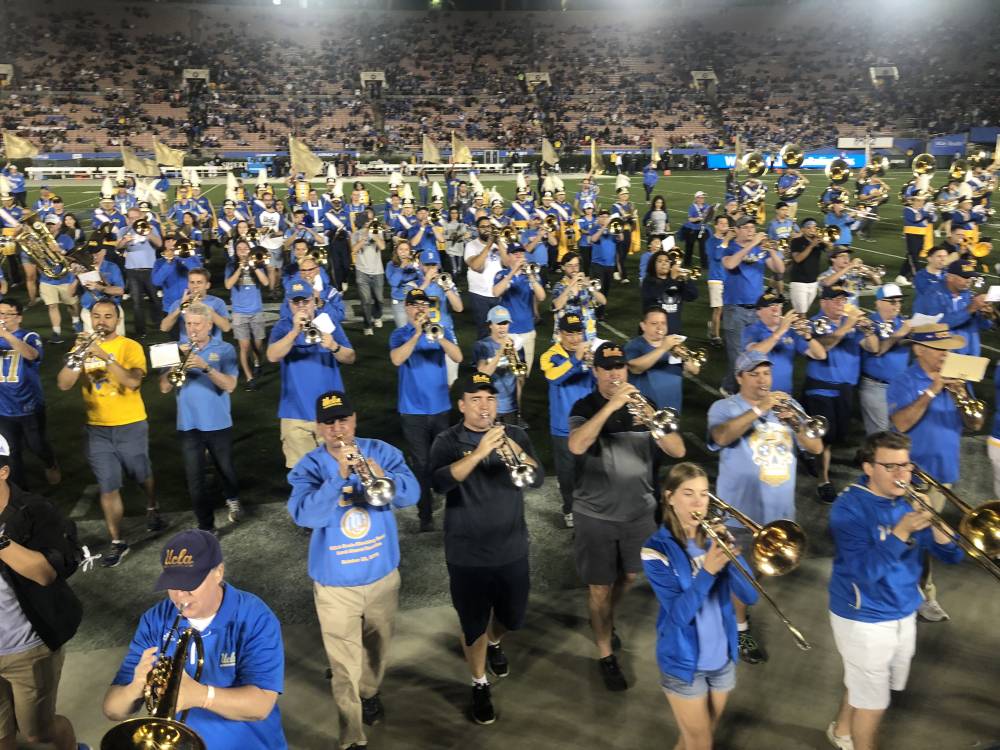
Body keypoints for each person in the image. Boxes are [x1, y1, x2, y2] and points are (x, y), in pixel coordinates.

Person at [287, 391, 419, 750]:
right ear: (318, 428)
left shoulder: (382, 451)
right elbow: (304, 515)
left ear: (354, 420)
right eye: (329, 423)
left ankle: (371, 691)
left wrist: (380, 474)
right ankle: (351, 735)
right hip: (335, 587)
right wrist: (338, 478)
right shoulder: (308, 468)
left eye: (343, 420)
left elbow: (411, 495)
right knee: (343, 667)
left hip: (381, 578)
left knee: (377, 651)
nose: (337, 428)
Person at [825, 431, 963, 750]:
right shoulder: (848, 509)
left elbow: (952, 555)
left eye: (906, 466)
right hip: (864, 617)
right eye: (891, 467)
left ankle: (842, 729)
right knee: (874, 702)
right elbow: (864, 574)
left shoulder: (910, 502)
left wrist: (938, 526)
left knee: (869, 682)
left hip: (904, 609)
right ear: (869, 467)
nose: (902, 475)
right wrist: (901, 532)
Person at [568, 342, 686, 691]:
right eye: (608, 368)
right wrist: (612, 407)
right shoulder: (584, 406)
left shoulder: (645, 405)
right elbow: (577, 444)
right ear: (597, 372)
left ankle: (606, 619)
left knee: (631, 575)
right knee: (600, 588)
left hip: (639, 512)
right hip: (596, 515)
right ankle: (606, 652)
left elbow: (678, 450)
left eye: (620, 367)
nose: (616, 373)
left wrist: (651, 420)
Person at [103, 529, 287, 749]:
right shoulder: (155, 619)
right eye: (173, 583)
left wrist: (202, 696)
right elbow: (112, 709)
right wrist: (134, 688)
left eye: (190, 583)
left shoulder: (255, 617)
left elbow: (261, 705)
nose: (180, 595)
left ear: (218, 572)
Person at [429, 372, 544, 725]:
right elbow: (439, 483)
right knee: (473, 624)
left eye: (490, 398)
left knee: (513, 616)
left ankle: (496, 642)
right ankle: (479, 683)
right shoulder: (447, 441)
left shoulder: (516, 435)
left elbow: (536, 478)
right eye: (476, 399)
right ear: (461, 404)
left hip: (511, 547)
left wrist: (515, 450)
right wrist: (480, 453)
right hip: (467, 554)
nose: (484, 405)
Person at [707, 350, 823, 665]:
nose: (762, 380)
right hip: (740, 514)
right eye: (755, 374)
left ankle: (734, 604)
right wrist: (759, 409)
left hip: (778, 515)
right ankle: (740, 627)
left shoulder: (789, 405)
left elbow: (815, 445)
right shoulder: (725, 406)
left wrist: (797, 423)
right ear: (740, 377)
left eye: (766, 374)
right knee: (743, 577)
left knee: (758, 573)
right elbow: (720, 436)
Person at [641, 462, 759, 750]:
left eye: (705, 494)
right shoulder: (656, 549)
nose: (699, 503)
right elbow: (678, 616)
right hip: (685, 665)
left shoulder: (714, 541)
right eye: (688, 493)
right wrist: (706, 571)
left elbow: (750, 595)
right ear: (669, 497)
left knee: (696, 738)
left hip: (722, 659)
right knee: (701, 743)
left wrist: (731, 554)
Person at [55, 300, 162, 567]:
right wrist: (79, 356)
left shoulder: (130, 347)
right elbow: (64, 384)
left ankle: (151, 505)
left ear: (117, 320)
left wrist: (102, 354)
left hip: (130, 424)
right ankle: (117, 541)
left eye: (108, 316)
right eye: (97, 316)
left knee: (141, 473)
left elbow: (133, 381)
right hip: (97, 429)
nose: (102, 321)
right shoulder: (80, 348)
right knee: (108, 486)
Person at [888, 323, 981, 623]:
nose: (946, 354)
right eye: (940, 349)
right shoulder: (903, 381)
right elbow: (901, 423)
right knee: (909, 539)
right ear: (919, 349)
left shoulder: (958, 380)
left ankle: (925, 596)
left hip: (943, 475)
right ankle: (904, 593)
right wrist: (932, 390)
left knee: (929, 542)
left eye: (948, 349)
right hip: (910, 478)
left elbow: (975, 425)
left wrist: (961, 396)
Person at [0, 441, 85, 750]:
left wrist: (1, 540)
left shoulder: (35, 511)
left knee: (38, 732)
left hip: (27, 649)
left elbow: (46, 573)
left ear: (3, 471)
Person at [159, 303, 242, 534]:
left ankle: (232, 496)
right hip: (188, 425)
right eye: (188, 324)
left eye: (197, 324)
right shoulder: (174, 348)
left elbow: (231, 386)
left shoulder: (225, 349)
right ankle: (206, 526)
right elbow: (165, 388)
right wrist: (177, 361)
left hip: (218, 423)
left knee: (225, 470)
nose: (192, 329)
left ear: (209, 325)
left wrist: (206, 367)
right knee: (194, 480)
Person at [389, 288, 463, 532]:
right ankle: (425, 514)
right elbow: (397, 359)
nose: (420, 308)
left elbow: (458, 356)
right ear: (407, 308)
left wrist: (437, 335)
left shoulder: (441, 329)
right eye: (415, 305)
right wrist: (417, 333)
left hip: (440, 408)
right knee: (421, 463)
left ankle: (453, 509)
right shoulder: (400, 334)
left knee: (445, 460)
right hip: (413, 412)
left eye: (424, 304)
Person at [266, 290, 356, 470]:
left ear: (314, 301)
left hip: (332, 413)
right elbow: (272, 356)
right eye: (295, 302)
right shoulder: (283, 326)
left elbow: (350, 357)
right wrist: (294, 332)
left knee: (339, 471)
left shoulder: (328, 323)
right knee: (303, 475)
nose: (301, 306)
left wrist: (334, 346)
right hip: (295, 414)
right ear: (289, 304)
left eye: (305, 301)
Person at [806, 285, 879, 502]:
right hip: (821, 388)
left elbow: (873, 348)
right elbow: (823, 346)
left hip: (845, 388)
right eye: (835, 300)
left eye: (843, 300)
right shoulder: (815, 323)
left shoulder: (852, 325)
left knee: (837, 436)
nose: (841, 304)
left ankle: (808, 454)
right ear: (823, 302)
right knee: (824, 439)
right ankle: (824, 481)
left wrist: (868, 329)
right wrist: (847, 325)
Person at [540, 313, 595, 528]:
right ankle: (570, 508)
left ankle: (589, 506)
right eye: (569, 333)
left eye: (578, 333)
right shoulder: (550, 355)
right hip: (563, 426)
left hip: (588, 424)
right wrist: (576, 360)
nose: (574, 338)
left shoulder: (588, 354)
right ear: (560, 334)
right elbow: (554, 377)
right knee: (567, 473)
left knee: (589, 470)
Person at [720, 216, 785, 394]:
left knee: (756, 355)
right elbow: (731, 264)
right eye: (746, 227)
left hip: (757, 311)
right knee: (737, 356)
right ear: (738, 230)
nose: (751, 230)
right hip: (735, 309)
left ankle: (733, 385)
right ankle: (734, 392)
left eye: (753, 227)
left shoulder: (760, 249)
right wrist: (752, 244)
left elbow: (780, 269)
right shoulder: (729, 248)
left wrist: (771, 250)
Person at [0, 301, 60, 489]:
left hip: (29, 406)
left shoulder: (29, 336)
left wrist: (5, 335)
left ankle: (50, 462)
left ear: (19, 317)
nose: (2, 318)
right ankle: (20, 492)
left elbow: (32, 355)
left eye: (7, 314)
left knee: (37, 445)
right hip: (3, 408)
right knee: (11, 452)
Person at [742, 291, 826, 395]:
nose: (776, 309)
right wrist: (780, 331)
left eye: (778, 305)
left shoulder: (791, 331)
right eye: (770, 306)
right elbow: (753, 354)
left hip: (784, 394)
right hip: (757, 394)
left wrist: (807, 336)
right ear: (758, 312)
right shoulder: (751, 330)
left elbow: (820, 355)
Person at [858, 284, 913, 435]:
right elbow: (876, 350)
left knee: (900, 432)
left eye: (899, 301)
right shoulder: (868, 324)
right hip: (876, 387)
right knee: (880, 436)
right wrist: (900, 334)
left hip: (900, 386)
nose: (897, 306)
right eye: (892, 302)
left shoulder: (903, 323)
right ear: (878, 302)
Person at [625, 306, 700, 415]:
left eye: (663, 323)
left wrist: (686, 358)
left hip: (672, 408)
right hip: (645, 410)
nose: (660, 327)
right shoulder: (634, 345)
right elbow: (635, 368)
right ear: (643, 326)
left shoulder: (675, 344)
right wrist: (663, 348)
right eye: (654, 323)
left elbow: (695, 370)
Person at [913, 258, 992, 357]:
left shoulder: (967, 294)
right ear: (950, 277)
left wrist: (986, 315)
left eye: (971, 277)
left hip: (972, 356)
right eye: (964, 277)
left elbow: (983, 326)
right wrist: (970, 309)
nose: (969, 281)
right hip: (944, 357)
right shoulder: (932, 295)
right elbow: (936, 326)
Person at [492, 245, 545, 374]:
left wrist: (531, 277)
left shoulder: (532, 275)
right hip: (507, 332)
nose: (519, 256)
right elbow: (496, 292)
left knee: (523, 373)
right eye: (515, 254)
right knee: (505, 373)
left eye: (521, 253)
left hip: (527, 330)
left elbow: (542, 297)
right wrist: (512, 272)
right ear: (509, 257)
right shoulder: (501, 274)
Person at [224, 240, 270, 391]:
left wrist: (253, 266)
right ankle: (250, 378)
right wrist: (239, 268)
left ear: (249, 250)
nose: (243, 251)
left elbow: (265, 282)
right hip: (239, 313)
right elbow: (228, 285)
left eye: (245, 248)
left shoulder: (257, 263)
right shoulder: (231, 266)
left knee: (258, 345)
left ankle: (257, 363)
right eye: (239, 248)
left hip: (256, 311)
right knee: (244, 347)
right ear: (236, 251)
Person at [474, 306, 527, 424]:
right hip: (489, 406)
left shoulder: (517, 345)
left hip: (511, 406)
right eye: (498, 323)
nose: (502, 327)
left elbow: (520, 378)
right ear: (490, 325)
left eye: (505, 323)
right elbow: (483, 374)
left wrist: (518, 408)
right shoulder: (482, 345)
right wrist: (499, 354)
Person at [116, 207, 163, 339]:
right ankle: (140, 330)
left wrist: (147, 232)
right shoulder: (123, 230)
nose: (133, 220)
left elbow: (159, 244)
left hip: (149, 269)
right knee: (137, 302)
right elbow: (117, 247)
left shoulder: (151, 228)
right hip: (132, 270)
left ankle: (159, 323)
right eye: (130, 218)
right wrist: (124, 241)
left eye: (136, 217)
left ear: (141, 217)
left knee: (154, 298)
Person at [160, 268, 232, 345]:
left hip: (213, 347)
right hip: (187, 346)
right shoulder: (179, 303)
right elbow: (164, 328)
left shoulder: (217, 302)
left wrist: (204, 307)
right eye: (192, 282)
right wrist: (181, 307)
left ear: (207, 285)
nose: (195, 286)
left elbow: (226, 328)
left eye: (199, 282)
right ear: (188, 284)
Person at [465, 217, 511, 338]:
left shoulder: (500, 244)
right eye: (483, 227)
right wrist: (489, 245)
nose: (486, 229)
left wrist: (499, 243)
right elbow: (476, 266)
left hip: (498, 293)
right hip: (479, 294)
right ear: (477, 229)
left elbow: (507, 263)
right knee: (484, 330)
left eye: (488, 226)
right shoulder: (471, 245)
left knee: (500, 328)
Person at [640, 249, 699, 335]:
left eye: (667, 261)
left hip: (675, 332)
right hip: (654, 334)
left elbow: (693, 296)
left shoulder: (677, 281)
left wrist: (687, 280)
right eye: (660, 261)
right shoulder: (648, 281)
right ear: (653, 265)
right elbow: (656, 294)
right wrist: (672, 279)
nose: (664, 263)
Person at [351, 210, 387, 336]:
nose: (370, 222)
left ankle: (377, 316)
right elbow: (354, 250)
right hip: (362, 272)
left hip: (377, 271)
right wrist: (363, 239)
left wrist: (375, 235)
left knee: (380, 299)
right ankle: (367, 325)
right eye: (368, 220)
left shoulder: (378, 232)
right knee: (366, 301)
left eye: (371, 220)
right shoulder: (356, 234)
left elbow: (382, 247)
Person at [786, 218, 827, 314]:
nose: (812, 230)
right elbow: (798, 259)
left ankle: (794, 326)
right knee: (802, 313)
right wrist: (811, 245)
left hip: (813, 282)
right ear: (803, 230)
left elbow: (831, 250)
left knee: (801, 312)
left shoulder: (818, 241)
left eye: (814, 228)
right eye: (809, 228)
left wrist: (825, 241)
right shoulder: (796, 241)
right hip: (799, 282)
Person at [704, 215, 732, 347]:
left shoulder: (730, 241)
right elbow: (716, 256)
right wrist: (726, 239)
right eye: (721, 223)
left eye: (726, 223)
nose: (724, 225)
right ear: (716, 225)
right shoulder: (710, 241)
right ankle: (715, 336)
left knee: (727, 309)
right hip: (715, 278)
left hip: (728, 278)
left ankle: (713, 327)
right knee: (718, 309)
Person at [680, 191, 710, 269]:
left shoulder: (707, 206)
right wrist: (698, 218)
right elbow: (690, 219)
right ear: (696, 198)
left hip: (703, 229)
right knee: (689, 246)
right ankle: (687, 263)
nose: (702, 199)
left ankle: (705, 265)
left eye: (703, 197)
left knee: (704, 247)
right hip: (692, 229)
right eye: (700, 197)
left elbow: (709, 217)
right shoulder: (692, 207)